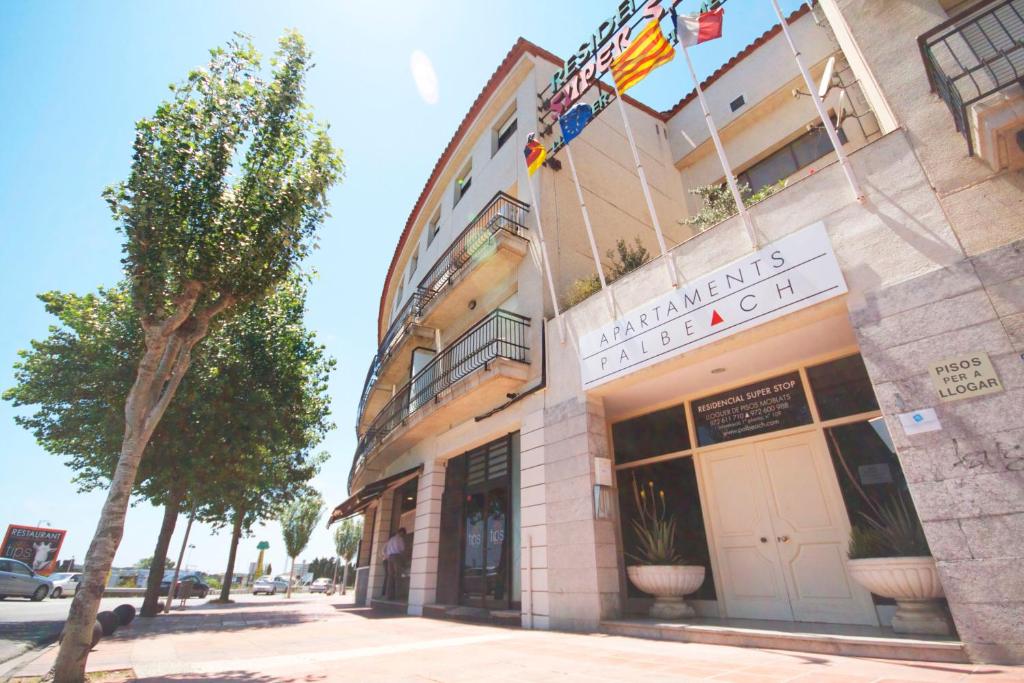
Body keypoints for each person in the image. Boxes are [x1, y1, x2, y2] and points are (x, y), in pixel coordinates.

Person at [382, 528, 407, 600]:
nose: (403, 535)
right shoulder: (400, 539)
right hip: (397, 557)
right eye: (403, 534)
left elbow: (386, 550)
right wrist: (404, 560)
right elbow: (402, 550)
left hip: (390, 558)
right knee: (398, 576)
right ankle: (397, 595)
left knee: (390, 576)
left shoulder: (391, 539)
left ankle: (389, 595)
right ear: (402, 532)